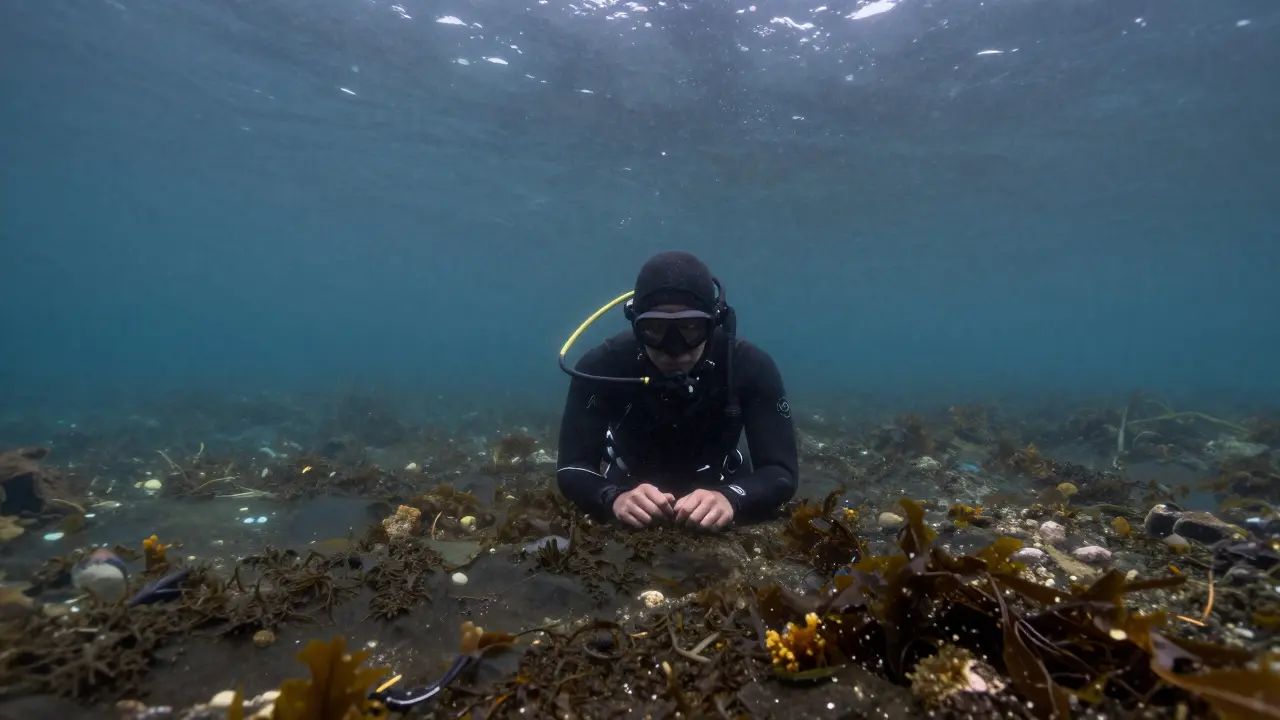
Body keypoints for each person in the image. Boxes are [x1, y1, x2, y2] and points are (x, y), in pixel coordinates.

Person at [555, 251, 799, 531]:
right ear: (636, 325)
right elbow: (573, 468)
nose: (674, 348)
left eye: (691, 328)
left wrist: (731, 497)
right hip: (627, 476)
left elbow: (781, 473)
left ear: (715, 321)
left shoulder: (750, 366)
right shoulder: (602, 366)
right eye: (655, 329)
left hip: (721, 476)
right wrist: (614, 498)